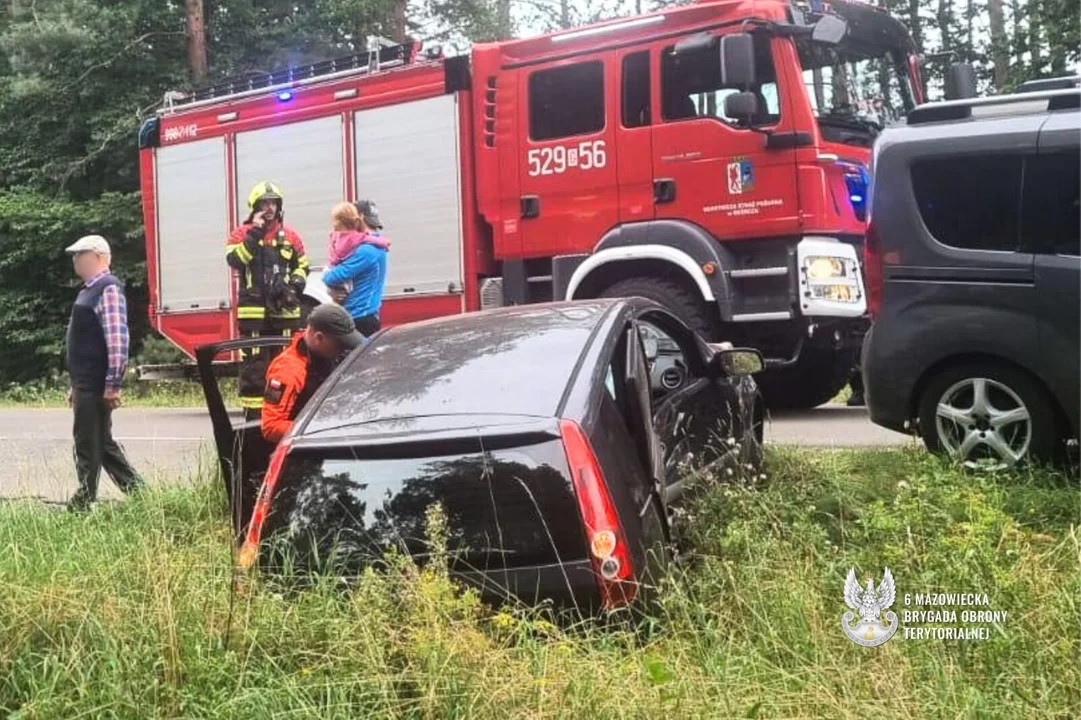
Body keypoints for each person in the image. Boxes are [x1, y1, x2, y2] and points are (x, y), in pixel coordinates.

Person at [64, 235, 145, 511]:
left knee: (88, 442)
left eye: (80, 253)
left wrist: (113, 384)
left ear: (98, 256)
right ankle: (141, 494)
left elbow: (117, 339)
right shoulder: (88, 289)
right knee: (101, 443)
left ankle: (84, 501)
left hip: (97, 383)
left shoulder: (108, 288)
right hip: (84, 382)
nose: (75, 259)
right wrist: (75, 384)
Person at [225, 181, 310, 419]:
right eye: (264, 202)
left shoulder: (291, 236)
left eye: (273, 202)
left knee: (285, 366)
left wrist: (293, 288)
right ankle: (254, 418)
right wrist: (256, 232)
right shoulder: (240, 235)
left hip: (285, 315)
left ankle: (284, 414)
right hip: (253, 317)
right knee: (254, 367)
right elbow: (236, 261)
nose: (269, 207)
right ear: (255, 206)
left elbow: (303, 266)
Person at [261, 303, 364, 444]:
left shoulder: (330, 355)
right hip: (303, 452)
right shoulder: (287, 370)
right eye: (340, 344)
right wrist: (322, 429)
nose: (343, 349)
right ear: (319, 338)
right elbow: (271, 426)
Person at [321, 198, 389, 337]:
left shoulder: (367, 250)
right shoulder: (375, 244)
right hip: (365, 316)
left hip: (360, 318)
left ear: (360, 217)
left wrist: (326, 275)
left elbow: (333, 278)